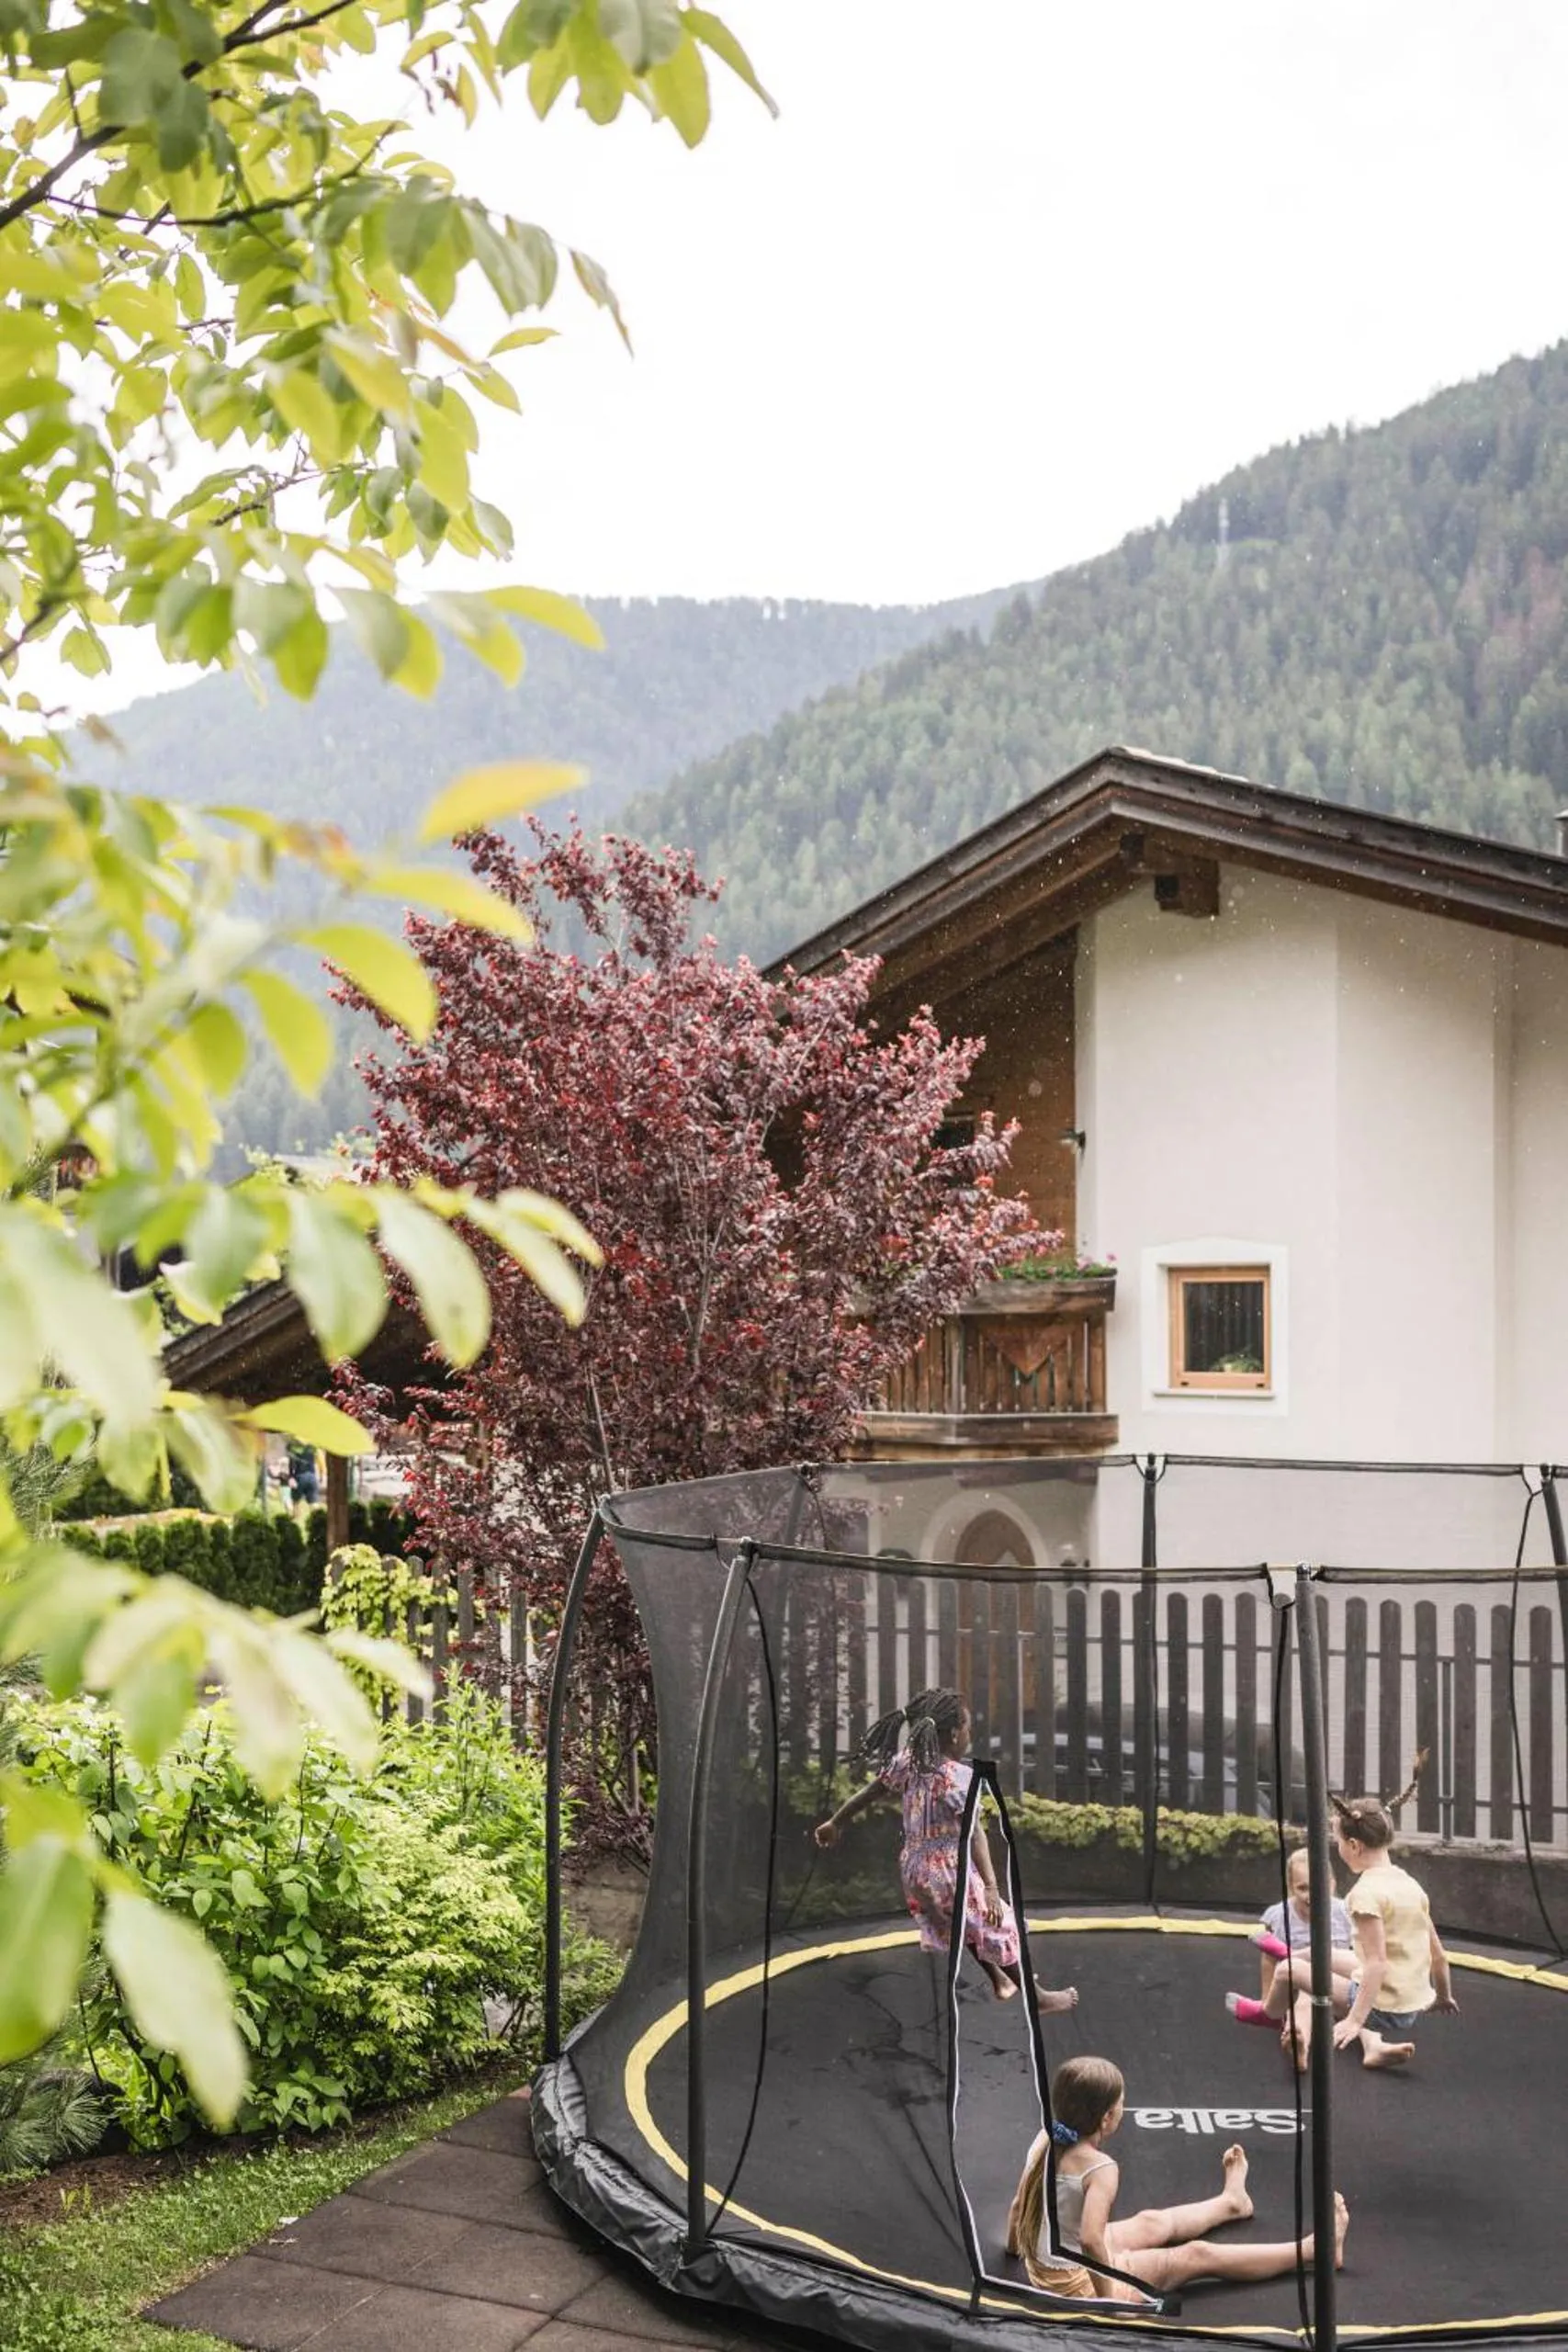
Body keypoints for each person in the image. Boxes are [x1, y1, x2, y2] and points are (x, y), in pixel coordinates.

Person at [813, 1688, 1077, 2011]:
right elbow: (974, 1834)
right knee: (996, 1924)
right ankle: (1037, 1997)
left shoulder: (906, 1762)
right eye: (967, 1728)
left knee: (960, 1924)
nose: (970, 1734)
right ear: (954, 1734)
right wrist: (992, 1886)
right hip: (948, 1870)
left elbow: (869, 1793)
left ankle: (1000, 1979)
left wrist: (835, 1822)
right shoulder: (954, 1778)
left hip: (915, 1870)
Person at [1005, 2054, 1348, 2302]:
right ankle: (1314, 2250)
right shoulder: (1100, 2168)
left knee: (1150, 2222)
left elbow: (1021, 2204)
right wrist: (1109, 2300)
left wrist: (1014, 2250)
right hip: (1075, 2283)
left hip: (1052, 2263)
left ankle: (1231, 2203)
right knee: (1194, 2256)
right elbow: (1093, 2241)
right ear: (1108, 2117)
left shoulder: (1046, 2137)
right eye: (1122, 2104)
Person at [1329, 1758, 1458, 2069]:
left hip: (1382, 2007)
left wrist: (1354, 2021)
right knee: (1316, 1955)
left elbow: (1377, 1964)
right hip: (1412, 2004)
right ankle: (1373, 2047)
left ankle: (1270, 2011)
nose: (1338, 1849)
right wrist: (1442, 1996)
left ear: (1355, 1846)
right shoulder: (1410, 1885)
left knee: (1291, 1970)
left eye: (1338, 1843)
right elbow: (1438, 1955)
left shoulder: (1364, 1893)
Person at [1224, 1845, 1356, 2069]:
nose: (1311, 1895)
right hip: (1303, 1987)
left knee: (1363, 2012)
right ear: (1291, 1888)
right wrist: (1269, 2001)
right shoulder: (1279, 1916)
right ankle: (1299, 2043)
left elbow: (1358, 1957)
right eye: (1303, 1888)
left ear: (1332, 1885)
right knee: (1302, 2001)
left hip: (1341, 1989)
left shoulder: (1346, 1912)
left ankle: (1375, 2048)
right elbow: (1268, 1959)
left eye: (1318, 1887)